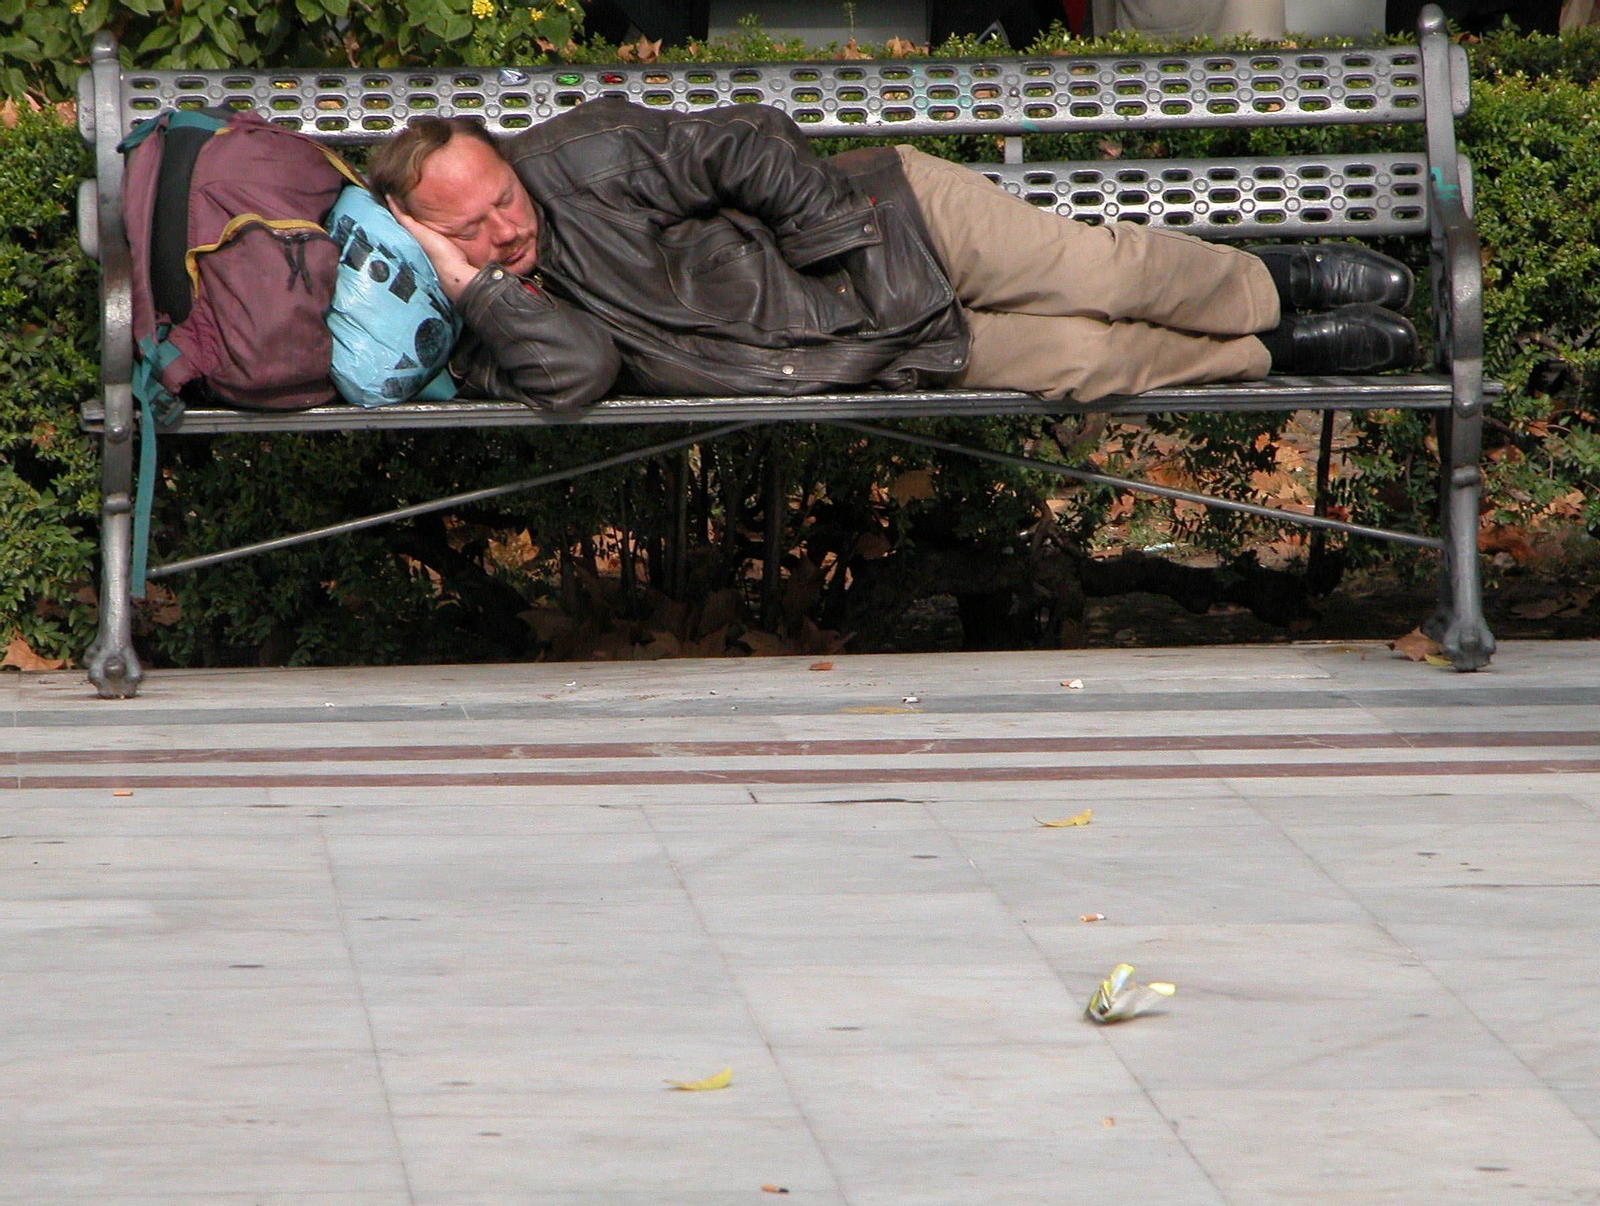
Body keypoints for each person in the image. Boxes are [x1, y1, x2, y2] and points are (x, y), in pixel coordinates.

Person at [367, 100, 1416, 413]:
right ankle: (1282, 358)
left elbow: (744, 138)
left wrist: (841, 249)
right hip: (857, 351)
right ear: (426, 236)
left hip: (894, 224)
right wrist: (477, 287)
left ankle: (1281, 285)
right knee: (1089, 363)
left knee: (1103, 275)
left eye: (503, 198)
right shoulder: (491, 316)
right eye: (469, 231)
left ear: (507, 160)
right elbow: (581, 373)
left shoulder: (585, 155)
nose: (505, 227)